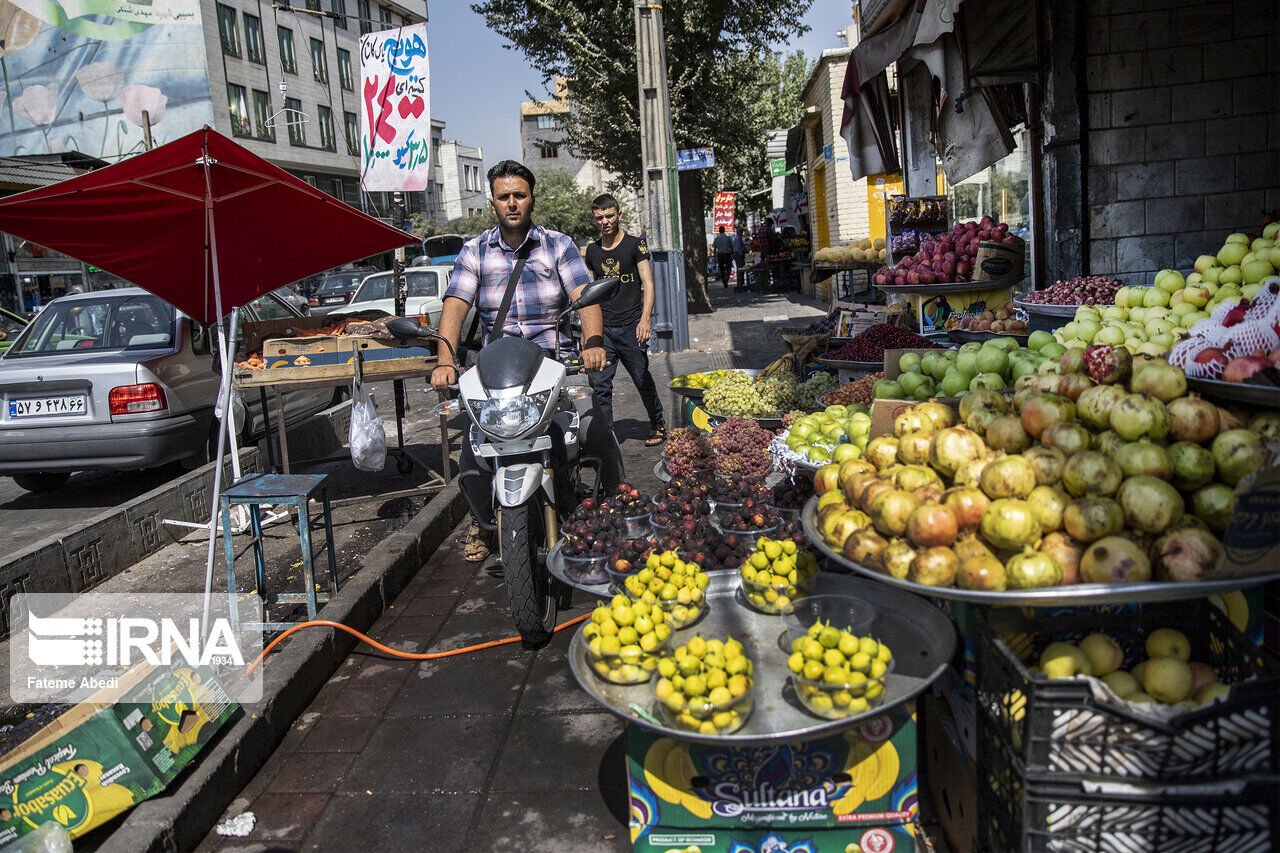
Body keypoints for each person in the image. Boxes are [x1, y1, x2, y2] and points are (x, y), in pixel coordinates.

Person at [430, 160, 623, 563]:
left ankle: (617, 509)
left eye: (519, 195)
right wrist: (445, 360)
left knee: (595, 432)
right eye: (504, 197)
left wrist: (593, 344)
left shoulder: (557, 245)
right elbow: (455, 306)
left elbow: (583, 297)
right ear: (493, 202)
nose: (512, 203)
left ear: (532, 199)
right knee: (471, 457)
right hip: (495, 374)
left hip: (551, 366)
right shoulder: (474, 250)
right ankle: (484, 523)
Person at [583, 194, 666, 446]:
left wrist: (645, 320)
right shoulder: (592, 251)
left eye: (609, 216)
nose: (605, 221)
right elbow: (588, 293)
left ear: (618, 214)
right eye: (600, 218)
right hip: (603, 330)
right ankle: (607, 436)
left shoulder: (635, 245)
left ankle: (657, 423)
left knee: (641, 378)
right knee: (600, 385)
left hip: (631, 326)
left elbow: (648, 284)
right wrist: (588, 335)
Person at [731, 226, 748, 292]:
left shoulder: (736, 238)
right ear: (738, 232)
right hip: (739, 256)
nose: (742, 233)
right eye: (741, 231)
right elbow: (738, 249)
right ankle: (740, 285)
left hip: (738, 256)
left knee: (740, 270)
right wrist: (742, 253)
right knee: (740, 270)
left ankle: (741, 284)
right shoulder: (737, 239)